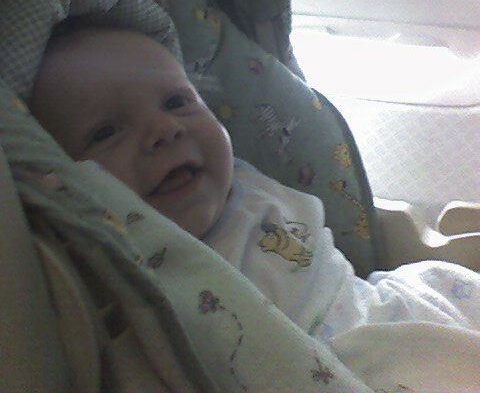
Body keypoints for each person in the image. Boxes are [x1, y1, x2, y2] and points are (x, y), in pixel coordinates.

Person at [29, 24, 480, 390]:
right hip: (313, 365)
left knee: (442, 286)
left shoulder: (246, 180)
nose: (164, 129)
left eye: (177, 101)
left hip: (370, 309)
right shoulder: (116, 272)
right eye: (106, 132)